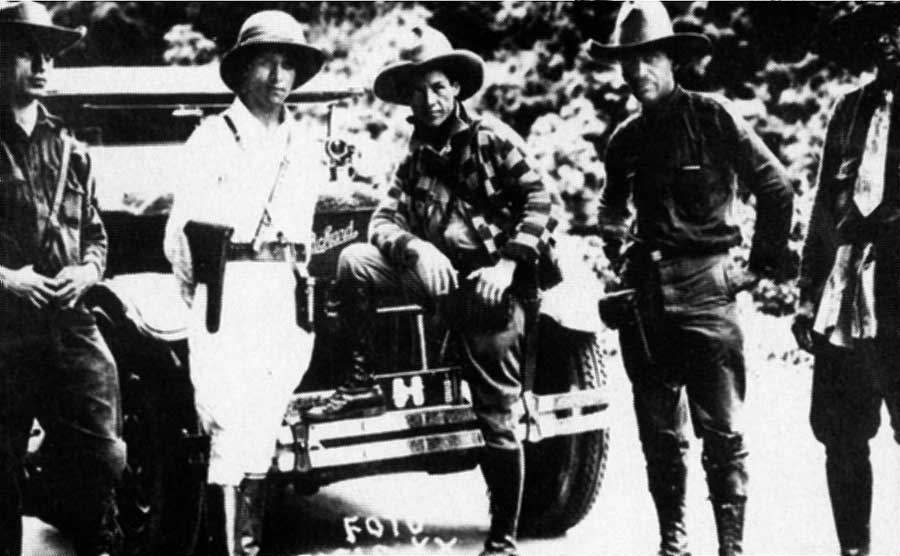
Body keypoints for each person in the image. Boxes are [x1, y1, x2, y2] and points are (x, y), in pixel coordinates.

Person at [304, 26, 561, 556]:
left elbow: (539, 200)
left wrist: (508, 265)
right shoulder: (415, 156)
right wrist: (416, 249)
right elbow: (380, 219)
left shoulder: (492, 139)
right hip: (435, 277)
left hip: (492, 284)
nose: (431, 99)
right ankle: (359, 381)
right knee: (354, 260)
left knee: (497, 415)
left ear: (457, 89)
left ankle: (503, 538)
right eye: (419, 90)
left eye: (440, 86)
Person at [589, 2, 793, 555]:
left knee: (723, 437)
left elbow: (777, 188)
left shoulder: (713, 117)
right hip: (646, 301)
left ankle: (731, 548)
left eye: (649, 57)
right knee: (660, 438)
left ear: (673, 60)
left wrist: (756, 269)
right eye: (628, 62)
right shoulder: (625, 138)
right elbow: (609, 205)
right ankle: (672, 545)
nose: (637, 73)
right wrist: (616, 247)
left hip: (708, 292)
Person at [163, 10, 327, 556]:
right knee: (228, 428)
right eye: (266, 63)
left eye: (288, 66)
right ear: (242, 71)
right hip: (228, 294)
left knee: (262, 430)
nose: (279, 78)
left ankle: (251, 546)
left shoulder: (304, 145)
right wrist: (204, 300)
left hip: (284, 295)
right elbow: (181, 239)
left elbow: (307, 230)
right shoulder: (212, 138)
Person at [0, 2, 126, 556]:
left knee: (103, 455)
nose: (43, 63)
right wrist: (6, 281)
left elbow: (96, 234)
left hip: (68, 322)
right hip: (5, 330)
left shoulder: (71, 149)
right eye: (29, 51)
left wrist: (87, 271)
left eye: (49, 52)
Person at [792, 4, 900, 555]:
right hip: (847, 297)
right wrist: (808, 293)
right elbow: (822, 209)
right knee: (841, 434)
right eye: (881, 31)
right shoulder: (850, 111)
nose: (891, 41)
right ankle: (853, 550)